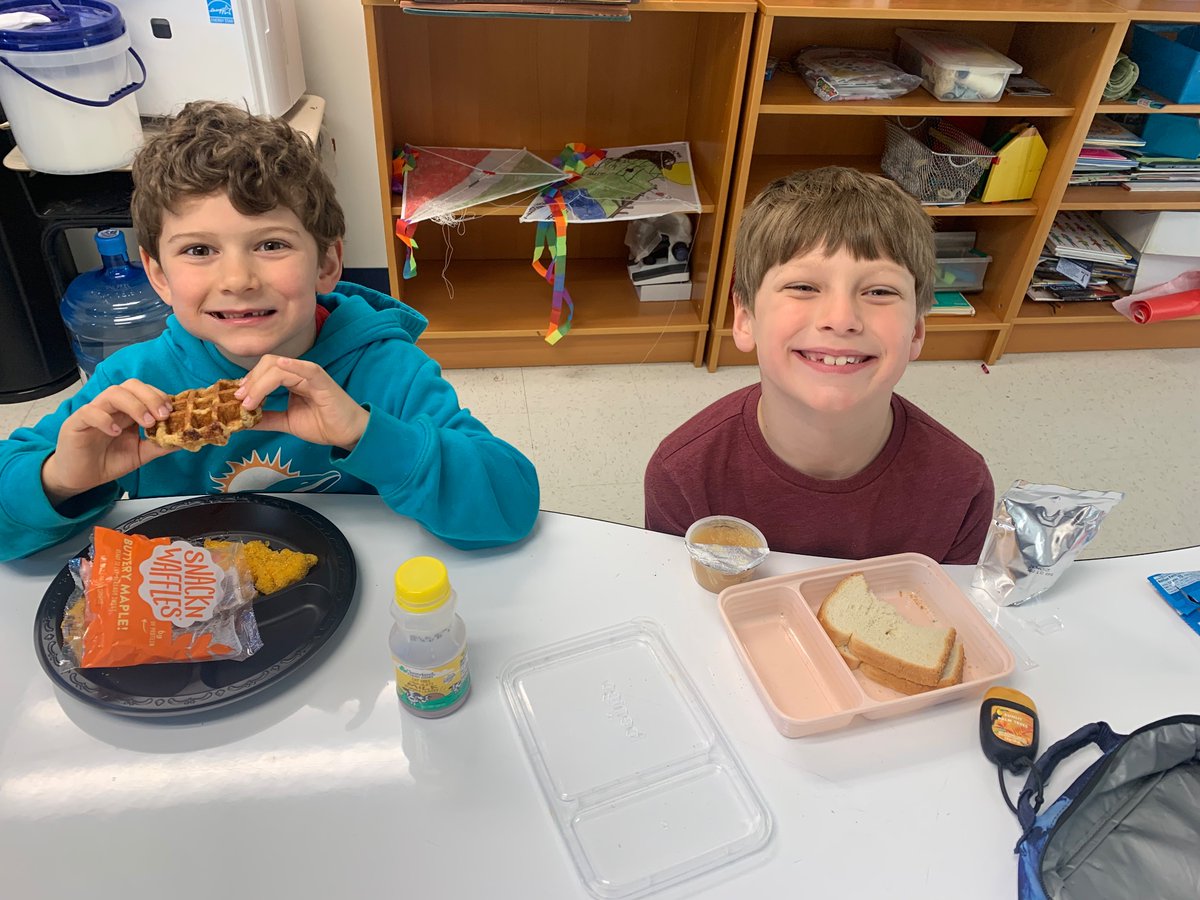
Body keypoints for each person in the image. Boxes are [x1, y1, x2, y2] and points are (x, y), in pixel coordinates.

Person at [0, 102, 538, 561]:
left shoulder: (388, 372)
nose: (237, 280)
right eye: (199, 250)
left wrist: (365, 434)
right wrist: (59, 480)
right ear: (159, 275)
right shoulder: (130, 385)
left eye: (271, 244)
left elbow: (509, 507)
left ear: (327, 263)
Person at [644, 167, 993, 565]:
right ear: (744, 320)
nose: (841, 318)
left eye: (879, 291)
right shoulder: (682, 475)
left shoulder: (963, 487)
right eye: (804, 287)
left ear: (915, 331)